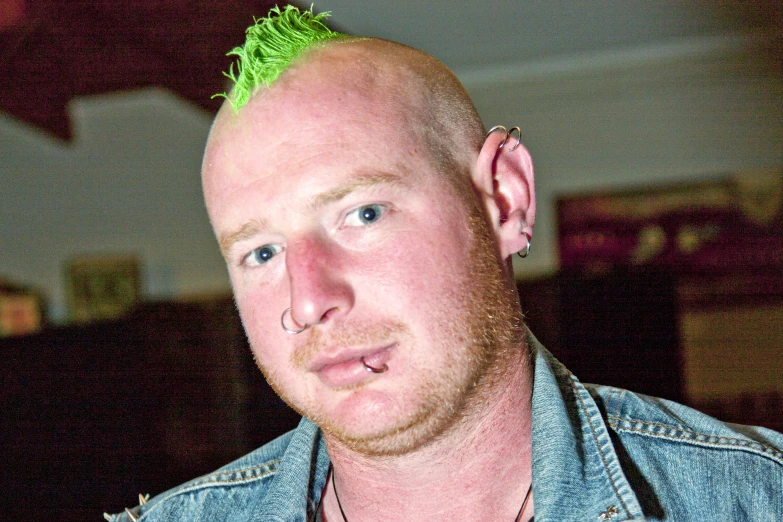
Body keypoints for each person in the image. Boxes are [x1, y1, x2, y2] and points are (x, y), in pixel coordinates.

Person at [106, 6, 783, 521]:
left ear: (503, 199)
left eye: (361, 214)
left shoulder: (755, 499)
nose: (307, 299)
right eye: (259, 252)